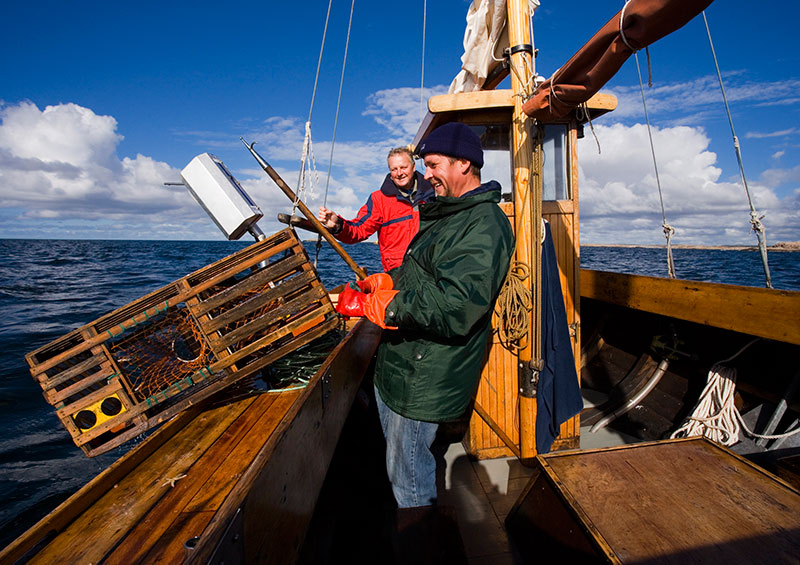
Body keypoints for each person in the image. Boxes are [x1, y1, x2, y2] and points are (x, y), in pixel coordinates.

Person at [335, 122, 514, 559]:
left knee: (411, 483)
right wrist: (384, 281)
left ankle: (423, 551)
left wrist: (386, 308)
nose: (426, 174)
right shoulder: (448, 211)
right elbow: (421, 274)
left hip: (425, 376)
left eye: (432, 165)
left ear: (464, 164)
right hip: (405, 365)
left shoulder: (483, 224)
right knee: (405, 468)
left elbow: (456, 306)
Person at [318, 147, 433, 272]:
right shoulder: (378, 200)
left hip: (431, 268)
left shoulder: (435, 192)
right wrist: (338, 225)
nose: (399, 173)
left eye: (403, 167)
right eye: (394, 169)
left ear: (414, 167)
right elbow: (359, 229)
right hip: (399, 274)